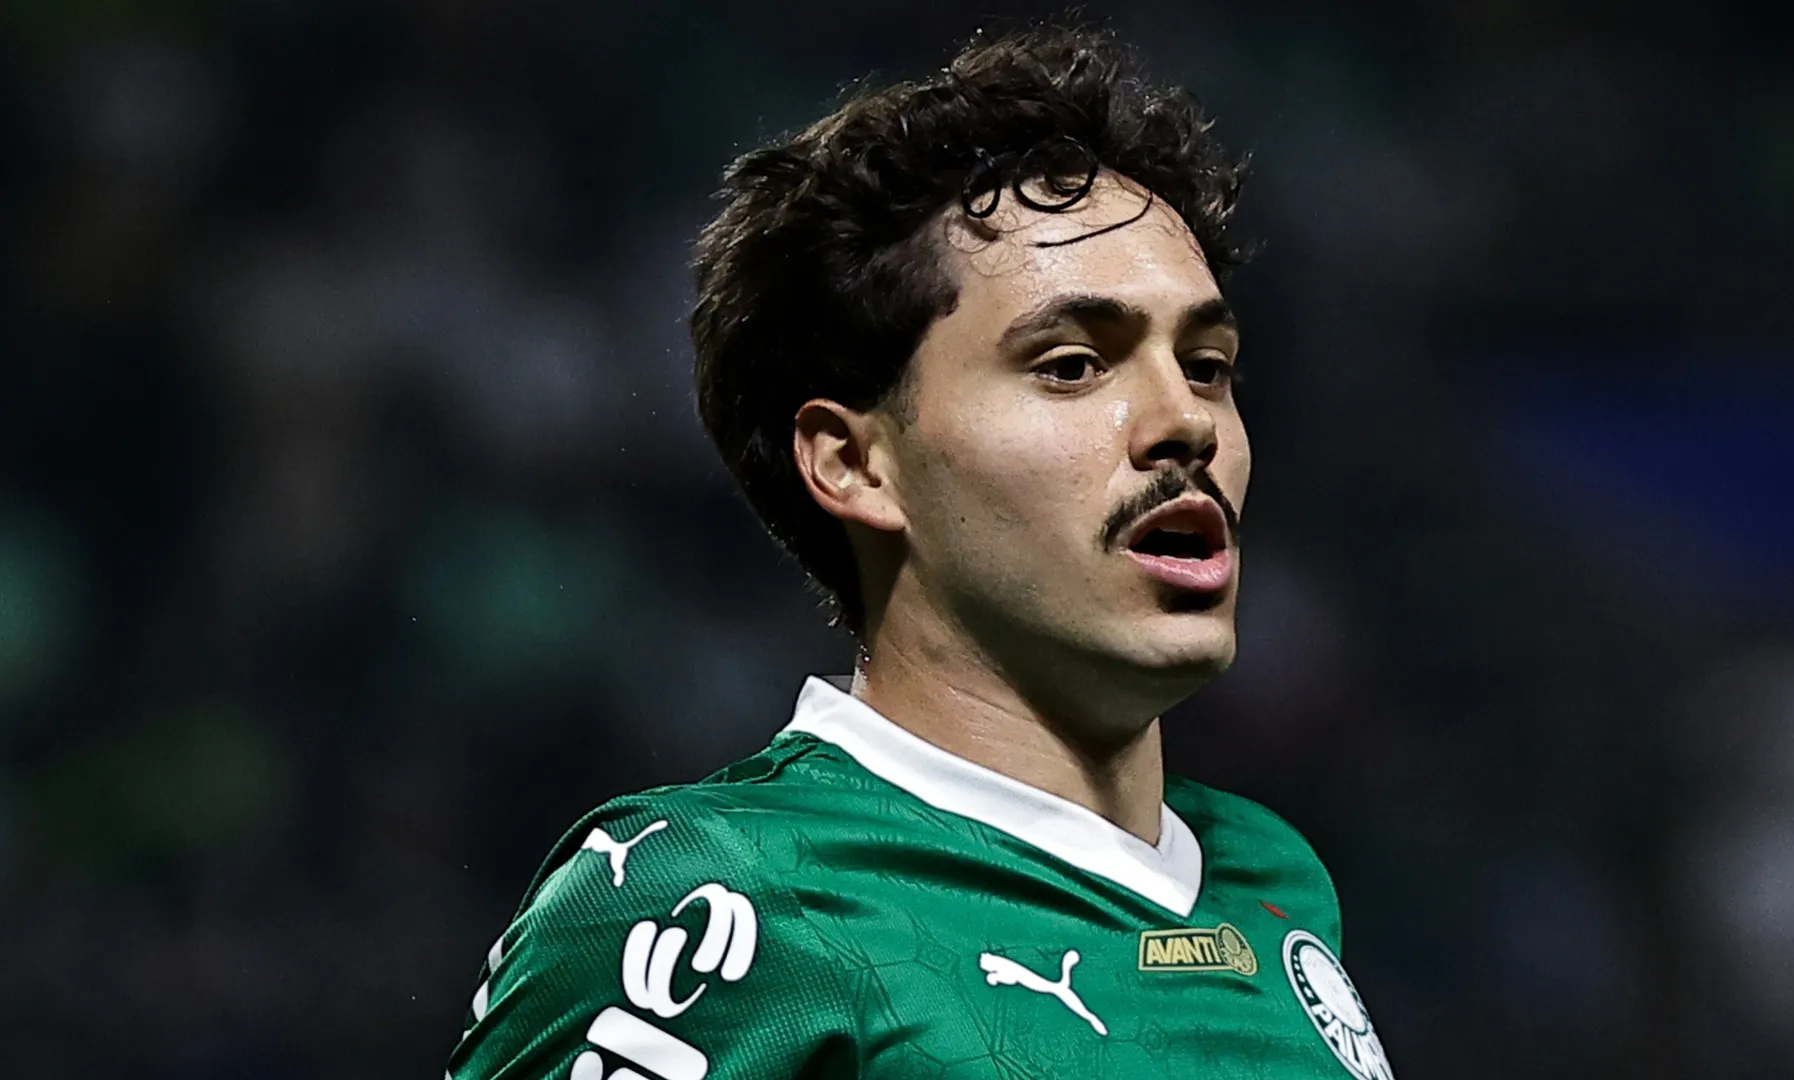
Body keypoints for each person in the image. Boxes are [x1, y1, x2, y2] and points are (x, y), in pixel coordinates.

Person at [447, 24, 1394, 1080]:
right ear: (855, 464)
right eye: (1074, 364)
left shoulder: (1273, 885)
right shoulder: (720, 898)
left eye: (1209, 364)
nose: (1187, 421)